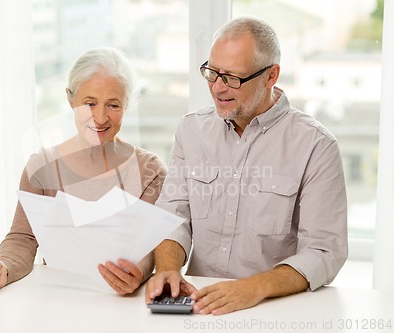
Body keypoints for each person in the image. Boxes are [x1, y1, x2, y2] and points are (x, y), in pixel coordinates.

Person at [145, 16, 348, 315]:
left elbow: (325, 251)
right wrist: (167, 269)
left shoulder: (316, 146)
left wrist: (254, 287)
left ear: (271, 75)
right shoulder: (190, 131)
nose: (217, 88)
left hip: (275, 310)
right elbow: (173, 215)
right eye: (212, 73)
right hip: (200, 307)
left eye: (232, 78)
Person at [0, 47, 167, 295]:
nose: (100, 117)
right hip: (58, 297)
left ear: (127, 105)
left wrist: (136, 273)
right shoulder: (41, 167)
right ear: (70, 100)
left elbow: (152, 247)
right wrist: (2, 268)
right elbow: (23, 238)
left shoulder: (150, 171)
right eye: (90, 103)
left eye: (113, 105)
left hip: (122, 303)